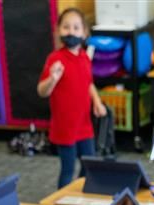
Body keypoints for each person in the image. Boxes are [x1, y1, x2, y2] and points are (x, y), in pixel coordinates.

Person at [38, 7, 107, 189]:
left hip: (84, 125)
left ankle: (79, 196)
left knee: (90, 165)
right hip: (64, 127)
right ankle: (61, 201)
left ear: (84, 32)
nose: (71, 31)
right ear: (58, 30)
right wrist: (53, 79)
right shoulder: (55, 59)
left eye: (76, 28)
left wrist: (97, 102)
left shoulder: (85, 57)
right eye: (66, 27)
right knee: (67, 169)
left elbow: (88, 83)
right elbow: (42, 91)